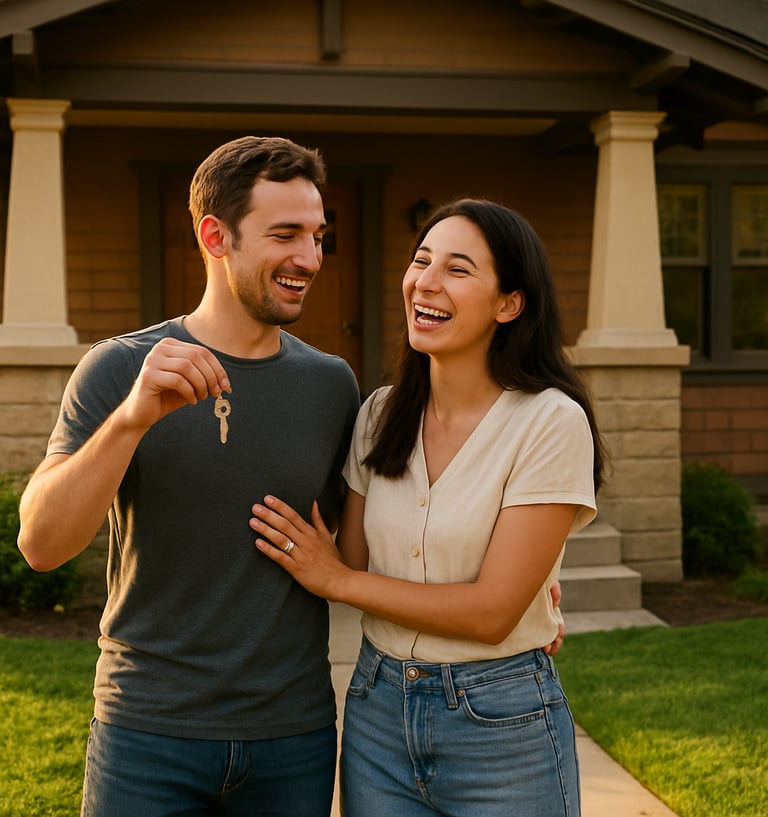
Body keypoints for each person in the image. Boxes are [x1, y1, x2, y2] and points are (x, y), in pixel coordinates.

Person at [17, 136, 360, 817]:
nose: (309, 258)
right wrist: (130, 420)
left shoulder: (331, 385)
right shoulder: (120, 368)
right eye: (285, 234)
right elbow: (41, 543)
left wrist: (525, 597)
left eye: (318, 236)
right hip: (148, 732)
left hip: (291, 736)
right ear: (216, 235)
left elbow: (368, 542)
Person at [250, 198, 605, 817]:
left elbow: (492, 613)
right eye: (421, 261)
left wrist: (340, 580)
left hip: (502, 721)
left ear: (509, 303)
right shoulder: (379, 415)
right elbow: (356, 556)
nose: (426, 282)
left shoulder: (549, 421)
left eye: (458, 269)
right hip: (377, 712)